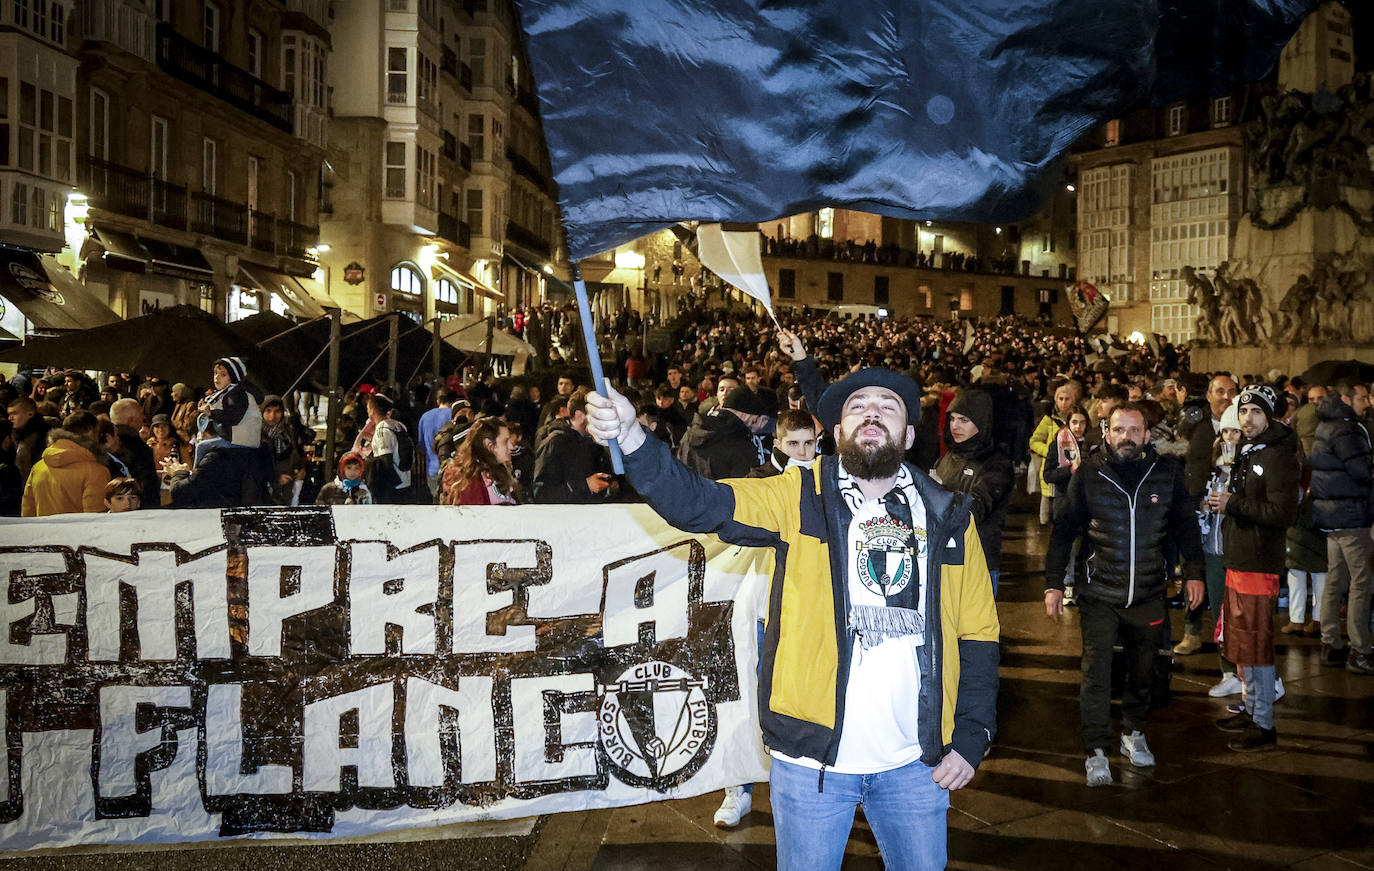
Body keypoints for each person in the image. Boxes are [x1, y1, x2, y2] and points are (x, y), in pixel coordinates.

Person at [584, 365, 1000, 871]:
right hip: (811, 766)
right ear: (838, 432)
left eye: (887, 406)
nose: (871, 411)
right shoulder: (799, 495)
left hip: (916, 763)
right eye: (856, 406)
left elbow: (978, 632)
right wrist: (632, 437)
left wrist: (973, 735)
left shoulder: (950, 516)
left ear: (909, 434)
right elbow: (699, 504)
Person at [1044, 403, 1204, 786]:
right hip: (1099, 592)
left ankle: (1133, 731)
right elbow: (1064, 530)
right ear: (1107, 433)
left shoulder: (1166, 473)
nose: (1126, 437)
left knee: (1143, 670)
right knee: (1096, 672)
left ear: (1147, 435)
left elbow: (1185, 527)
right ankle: (1096, 748)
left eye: (1135, 430)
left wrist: (1195, 573)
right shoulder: (1089, 475)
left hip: (1148, 591)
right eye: (1119, 429)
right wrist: (1052, 583)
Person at [1210, 386, 1299, 750]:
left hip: (1259, 563)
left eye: (1255, 413)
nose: (1247, 419)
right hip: (1241, 558)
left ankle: (1263, 723)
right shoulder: (1250, 450)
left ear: (1270, 416)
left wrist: (1233, 504)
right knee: (1241, 643)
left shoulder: (1278, 455)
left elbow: (1282, 513)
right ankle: (1250, 708)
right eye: (1242, 412)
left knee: (1256, 644)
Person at [1308, 382, 1374, 674]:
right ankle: (1360, 650)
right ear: (1346, 399)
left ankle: (1331, 641)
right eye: (1362, 396)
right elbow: (1362, 471)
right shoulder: (1346, 428)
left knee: (1336, 578)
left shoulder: (1327, 424)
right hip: (1351, 515)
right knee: (1362, 582)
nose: (1367, 401)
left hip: (1332, 516)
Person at [1177, 374, 1239, 659]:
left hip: (1228, 511)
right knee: (1194, 568)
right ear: (1209, 396)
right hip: (1195, 508)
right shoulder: (1193, 424)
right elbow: (1179, 460)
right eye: (1220, 391)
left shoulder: (1243, 425)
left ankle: (1226, 631)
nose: (1226, 397)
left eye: (1231, 391)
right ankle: (1192, 630)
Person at [934, 390, 1014, 595]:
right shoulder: (947, 459)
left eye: (963, 420)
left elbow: (976, 508)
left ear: (981, 422)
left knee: (974, 628)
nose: (955, 426)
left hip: (979, 563)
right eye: (952, 419)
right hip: (943, 560)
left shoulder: (997, 464)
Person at [22, 411, 112, 517]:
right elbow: (95, 517)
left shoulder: (38, 468)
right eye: (98, 432)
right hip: (78, 533)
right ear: (90, 432)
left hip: (43, 532)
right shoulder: (96, 471)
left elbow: (28, 512)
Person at [532, 391, 615, 503]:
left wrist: (611, 486)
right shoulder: (555, 443)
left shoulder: (596, 443)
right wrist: (585, 486)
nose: (600, 420)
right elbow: (541, 493)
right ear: (579, 416)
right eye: (595, 415)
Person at [678, 386, 770, 481]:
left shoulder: (691, 431)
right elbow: (745, 485)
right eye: (754, 420)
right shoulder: (740, 439)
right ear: (744, 414)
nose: (754, 428)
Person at [443, 417, 519, 506]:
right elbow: (474, 517)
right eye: (505, 441)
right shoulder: (468, 481)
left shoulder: (499, 470)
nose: (511, 447)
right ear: (489, 445)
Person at [364, 393, 412, 504]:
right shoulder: (398, 425)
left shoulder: (381, 429)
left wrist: (385, 486)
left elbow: (385, 459)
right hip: (405, 479)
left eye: (368, 408)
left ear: (372, 410)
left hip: (393, 486)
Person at [747, 409, 817, 478]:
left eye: (808, 443)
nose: (802, 452)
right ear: (777, 445)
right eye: (793, 444)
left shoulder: (825, 472)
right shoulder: (757, 480)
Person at [417, 388, 457, 500]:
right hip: (452, 468)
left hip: (432, 469)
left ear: (438, 400)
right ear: (453, 401)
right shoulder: (454, 415)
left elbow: (422, 445)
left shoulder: (425, 417)